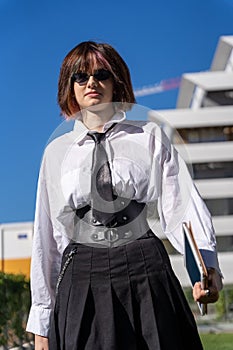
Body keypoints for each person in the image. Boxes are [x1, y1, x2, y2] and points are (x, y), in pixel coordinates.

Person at [26, 41, 223, 350]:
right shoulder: (55, 153)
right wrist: (41, 325)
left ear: (116, 82)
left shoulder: (149, 136)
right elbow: (47, 239)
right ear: (70, 86)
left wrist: (206, 268)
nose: (91, 82)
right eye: (81, 76)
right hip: (81, 273)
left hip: (144, 264)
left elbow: (181, 207)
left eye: (102, 74)